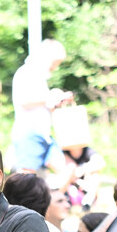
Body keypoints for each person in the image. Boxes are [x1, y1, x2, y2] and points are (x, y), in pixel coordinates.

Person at [9, 39, 72, 176]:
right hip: (29, 133)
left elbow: (43, 106)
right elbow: (24, 100)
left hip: (44, 134)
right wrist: (51, 97)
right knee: (25, 177)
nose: (55, 67)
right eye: (55, 62)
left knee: (67, 171)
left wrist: (58, 101)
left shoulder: (39, 77)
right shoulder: (26, 72)